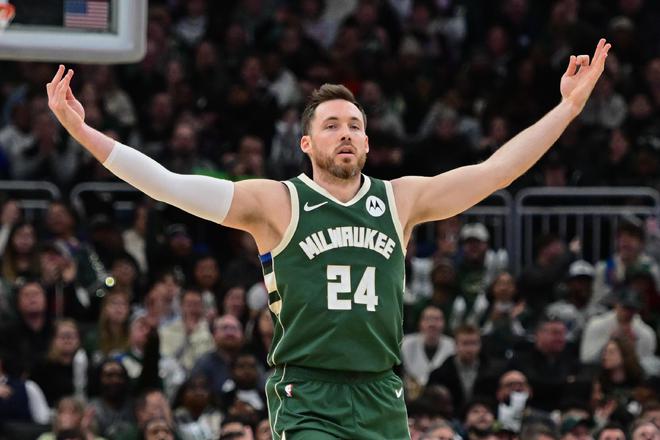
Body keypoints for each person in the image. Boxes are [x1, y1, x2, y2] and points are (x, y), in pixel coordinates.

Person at [46, 38, 611, 439]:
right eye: (332, 125)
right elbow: (168, 185)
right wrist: (83, 131)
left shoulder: (402, 200)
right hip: (308, 393)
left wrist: (567, 108)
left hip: (381, 393)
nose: (345, 134)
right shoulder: (276, 202)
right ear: (306, 144)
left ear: (367, 143)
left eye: (355, 126)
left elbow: (496, 172)